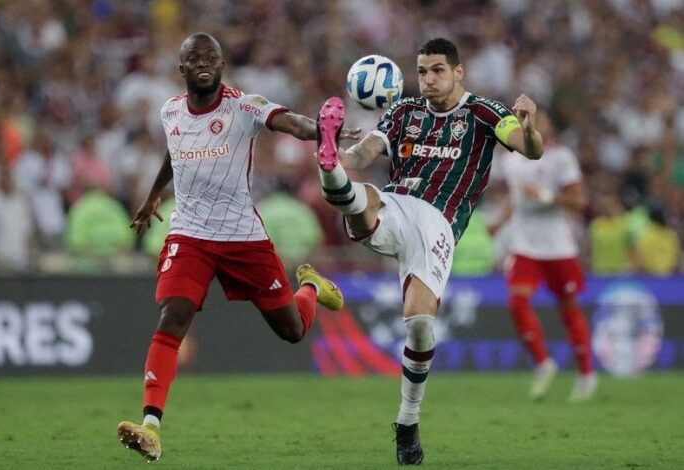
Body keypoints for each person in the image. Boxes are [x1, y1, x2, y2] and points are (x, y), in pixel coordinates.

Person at [116, 32, 360, 462]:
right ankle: (150, 426)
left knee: (292, 331)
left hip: (242, 236)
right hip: (189, 233)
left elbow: (289, 122)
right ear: (182, 67)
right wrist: (154, 194)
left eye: (212, 56)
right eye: (195, 56)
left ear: (223, 65)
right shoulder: (170, 110)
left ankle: (311, 288)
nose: (204, 61)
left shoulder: (244, 106)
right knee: (173, 315)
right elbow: (175, 153)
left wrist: (321, 132)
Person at [314, 38, 543, 465]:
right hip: (397, 204)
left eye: (437, 70)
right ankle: (329, 169)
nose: (428, 79)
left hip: (439, 222)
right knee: (365, 196)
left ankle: (407, 421)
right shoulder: (403, 111)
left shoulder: (484, 113)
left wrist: (528, 126)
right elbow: (366, 152)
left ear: (458, 72)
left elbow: (529, 148)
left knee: (419, 326)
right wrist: (341, 152)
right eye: (422, 71)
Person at [491, 111, 597, 403]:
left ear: (548, 126)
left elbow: (580, 200)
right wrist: (499, 222)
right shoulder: (509, 161)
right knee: (517, 301)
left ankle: (586, 374)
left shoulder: (560, 158)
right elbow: (515, 199)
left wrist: (548, 197)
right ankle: (543, 362)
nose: (531, 124)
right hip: (524, 244)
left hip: (558, 246)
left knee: (568, 309)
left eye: (539, 119)